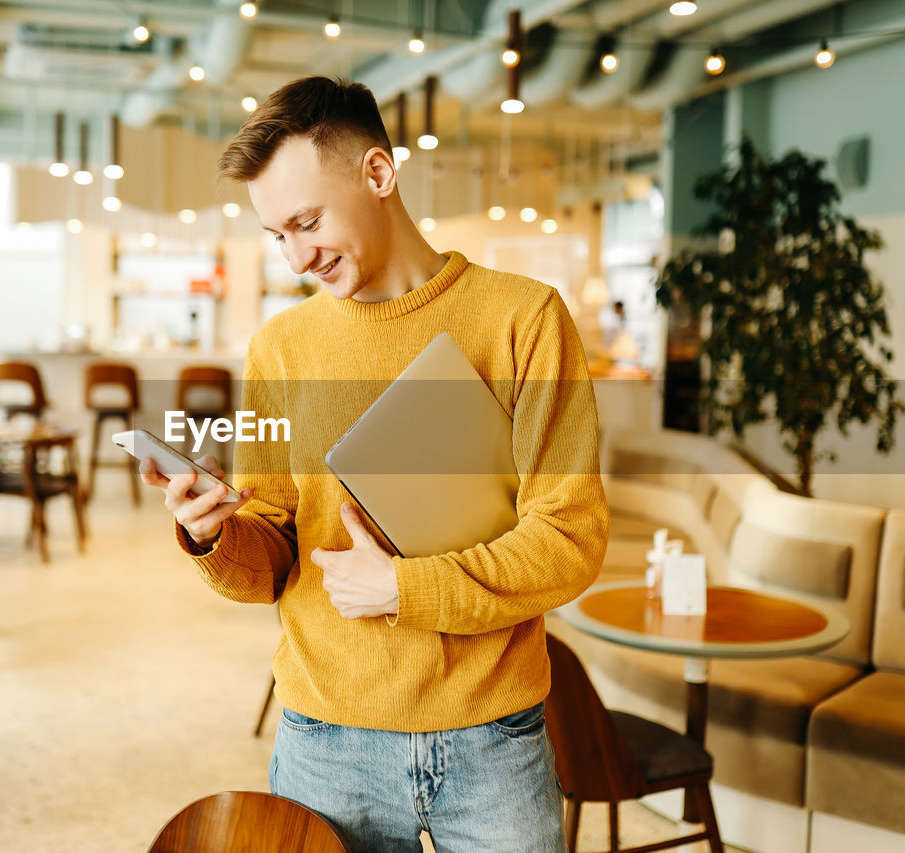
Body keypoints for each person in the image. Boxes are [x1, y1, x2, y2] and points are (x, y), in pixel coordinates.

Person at [140, 76, 608, 852]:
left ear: (379, 174)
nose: (295, 256)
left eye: (307, 221)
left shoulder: (525, 319)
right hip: (327, 740)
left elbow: (570, 541)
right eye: (276, 235)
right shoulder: (281, 348)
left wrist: (403, 588)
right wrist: (213, 535)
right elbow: (272, 560)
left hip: (492, 737)